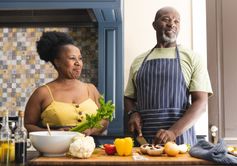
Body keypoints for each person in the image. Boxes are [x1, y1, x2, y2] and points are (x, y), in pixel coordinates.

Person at [124, 7, 213, 145]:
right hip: (144, 142)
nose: (172, 24)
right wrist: (132, 113)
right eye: (166, 19)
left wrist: (173, 132)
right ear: (154, 25)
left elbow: (201, 103)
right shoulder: (138, 61)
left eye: (176, 21)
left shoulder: (193, 58)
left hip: (180, 142)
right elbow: (129, 97)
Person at [25, 31, 108, 136]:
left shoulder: (91, 89)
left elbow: (104, 119)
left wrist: (91, 130)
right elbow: (28, 125)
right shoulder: (42, 93)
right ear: (57, 62)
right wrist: (54, 133)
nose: (78, 63)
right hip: (54, 150)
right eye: (72, 58)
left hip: (89, 151)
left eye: (80, 58)